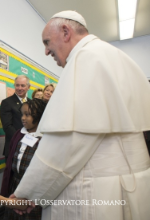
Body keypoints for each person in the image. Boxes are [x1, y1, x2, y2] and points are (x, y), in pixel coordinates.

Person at [12, 11, 150, 220]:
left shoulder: (86, 58)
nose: (46, 51)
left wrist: (27, 194)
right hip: (131, 183)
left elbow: (66, 145)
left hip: (97, 191)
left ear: (66, 32)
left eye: (47, 42)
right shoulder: (117, 56)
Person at [1, 99, 47, 220]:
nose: (23, 118)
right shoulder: (19, 134)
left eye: (28, 115)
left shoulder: (45, 138)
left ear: (39, 115)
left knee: (30, 214)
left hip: (34, 188)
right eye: (22, 114)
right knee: (13, 214)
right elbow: (11, 155)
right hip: (16, 183)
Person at [0, 75, 30, 161]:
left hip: (29, 147)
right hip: (14, 147)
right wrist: (24, 139)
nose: (19, 88)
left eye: (22, 85)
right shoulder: (7, 102)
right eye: (17, 85)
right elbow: (7, 126)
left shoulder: (31, 102)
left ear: (28, 87)